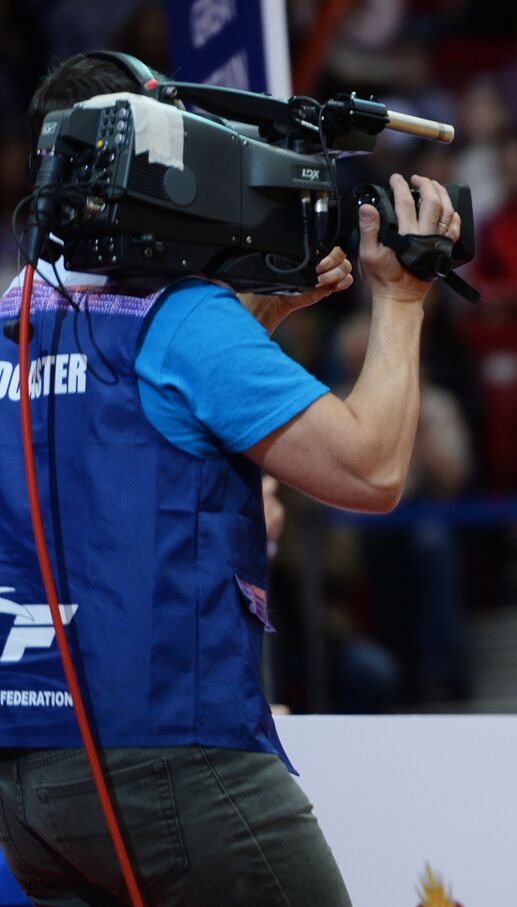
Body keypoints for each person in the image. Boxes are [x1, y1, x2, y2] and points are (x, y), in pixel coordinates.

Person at [0, 53, 461, 905]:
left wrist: (263, 317)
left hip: (30, 783)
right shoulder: (182, 319)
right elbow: (370, 469)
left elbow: (128, 423)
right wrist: (399, 299)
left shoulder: (14, 310)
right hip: (178, 758)